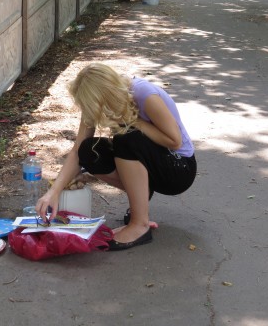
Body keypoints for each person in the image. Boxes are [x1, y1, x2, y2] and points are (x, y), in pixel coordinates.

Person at [35, 63, 197, 251]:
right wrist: (53, 192)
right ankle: (141, 198)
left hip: (179, 170)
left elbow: (174, 141)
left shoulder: (144, 94)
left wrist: (135, 122)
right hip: (152, 165)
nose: (96, 112)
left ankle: (139, 224)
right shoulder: (100, 99)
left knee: (126, 139)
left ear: (107, 94)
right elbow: (77, 150)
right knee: (89, 151)